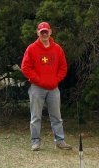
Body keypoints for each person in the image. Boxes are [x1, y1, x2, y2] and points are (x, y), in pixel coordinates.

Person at [21, 22, 72, 151]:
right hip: (37, 88)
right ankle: (35, 142)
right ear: (37, 33)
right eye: (41, 32)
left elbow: (63, 67)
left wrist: (56, 80)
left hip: (53, 88)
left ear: (50, 32)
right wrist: (37, 80)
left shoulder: (57, 49)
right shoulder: (31, 48)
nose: (44, 34)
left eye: (46, 31)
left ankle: (60, 141)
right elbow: (25, 67)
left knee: (56, 116)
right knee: (35, 116)